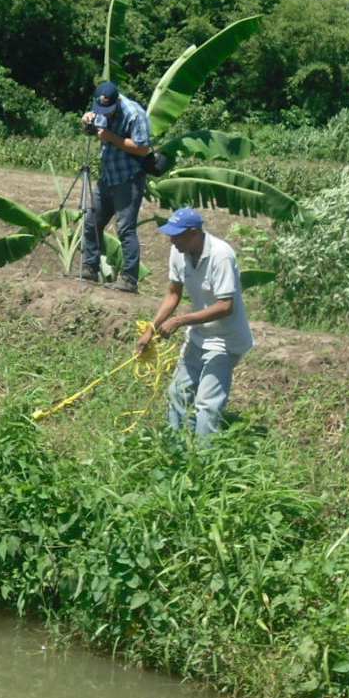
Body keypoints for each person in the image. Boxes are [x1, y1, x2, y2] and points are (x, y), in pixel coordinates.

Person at [134, 207, 254, 437]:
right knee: (177, 393)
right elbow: (173, 294)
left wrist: (180, 320)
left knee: (208, 404)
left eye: (176, 235)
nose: (171, 241)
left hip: (224, 341)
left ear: (193, 233)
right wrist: (151, 329)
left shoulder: (221, 255)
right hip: (199, 335)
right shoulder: (179, 251)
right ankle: (175, 449)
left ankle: (202, 460)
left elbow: (225, 306)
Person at [79, 81, 152, 293]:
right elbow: (90, 133)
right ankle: (90, 268)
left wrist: (112, 138)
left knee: (125, 229)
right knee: (91, 220)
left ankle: (129, 279)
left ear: (117, 100)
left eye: (108, 110)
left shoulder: (134, 114)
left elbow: (142, 148)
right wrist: (87, 123)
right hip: (107, 176)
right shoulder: (99, 109)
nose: (105, 114)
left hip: (128, 179)